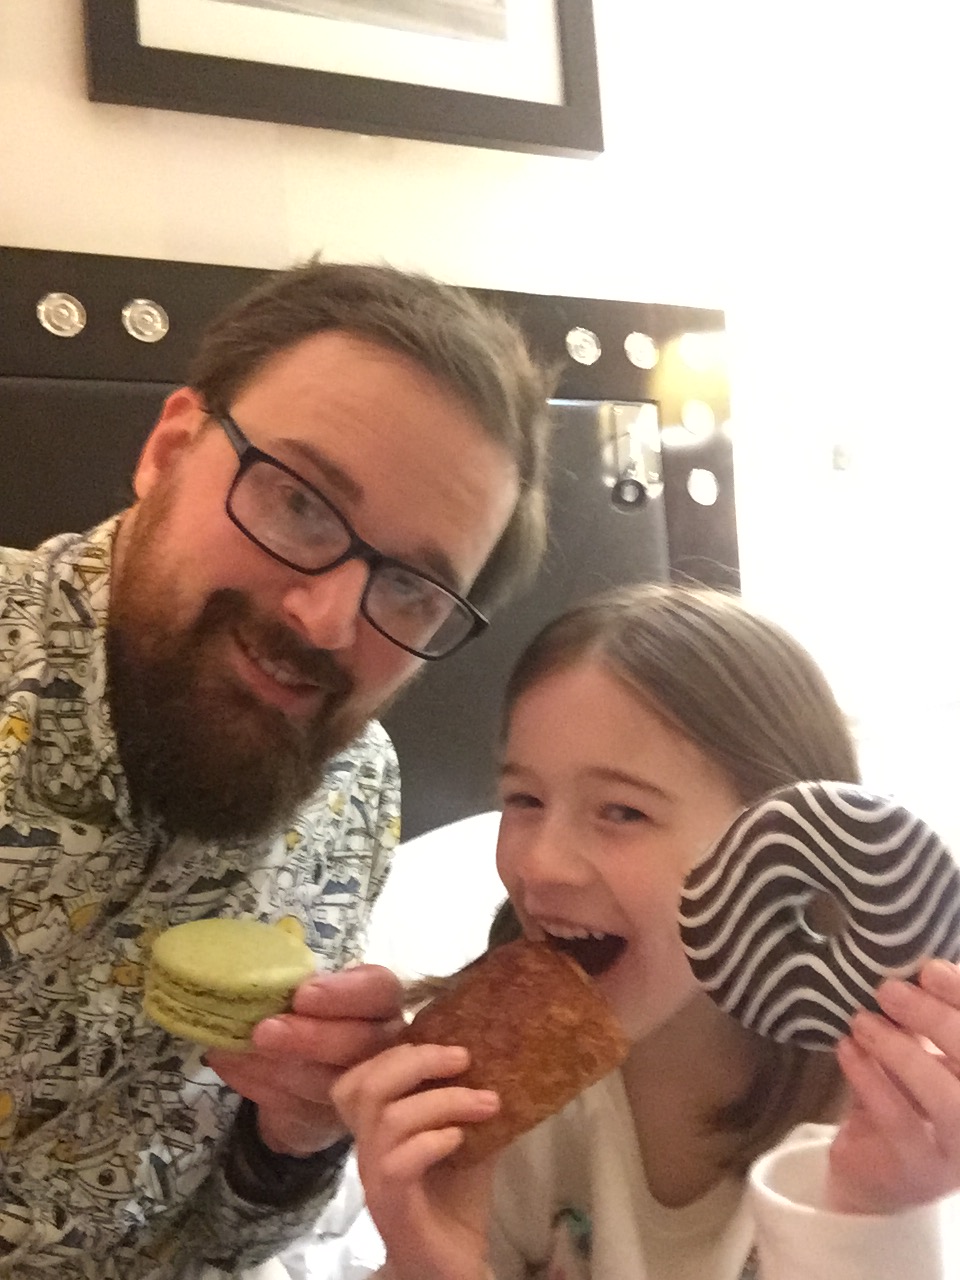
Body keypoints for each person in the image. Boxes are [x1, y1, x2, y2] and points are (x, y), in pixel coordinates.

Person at [0, 259, 554, 1278]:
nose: (327, 619)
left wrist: (289, 1142)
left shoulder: (354, 793)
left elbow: (222, 1241)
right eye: (300, 501)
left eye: (413, 586)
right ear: (169, 450)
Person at [333, 584, 960, 1280]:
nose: (538, 864)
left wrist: (868, 1216)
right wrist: (427, 1266)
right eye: (525, 799)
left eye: (623, 812)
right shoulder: (508, 1101)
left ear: (787, 854)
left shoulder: (900, 1136)